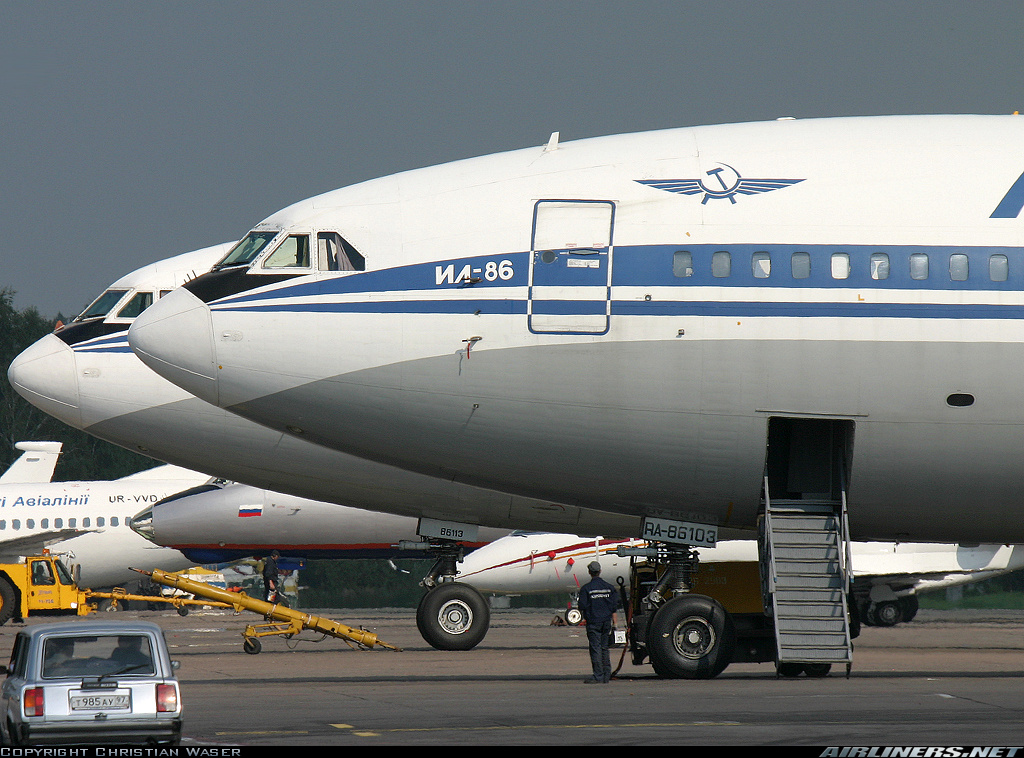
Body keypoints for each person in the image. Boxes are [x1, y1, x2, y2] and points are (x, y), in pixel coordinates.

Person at [577, 560, 618, 683]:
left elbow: (582, 606)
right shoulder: (609, 588)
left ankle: (598, 676)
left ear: (590, 572)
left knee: (595, 648)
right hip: (606, 622)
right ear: (600, 571)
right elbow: (614, 607)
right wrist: (615, 624)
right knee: (604, 648)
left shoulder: (586, 589)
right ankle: (606, 675)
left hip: (594, 622)